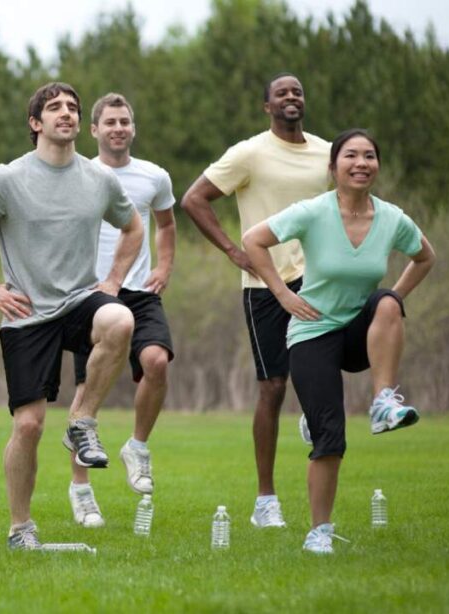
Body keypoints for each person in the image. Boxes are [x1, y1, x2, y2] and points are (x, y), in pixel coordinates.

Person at [0, 82, 142, 550]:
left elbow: (133, 226)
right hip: (27, 312)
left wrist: (112, 282)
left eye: (72, 107)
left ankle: (82, 422)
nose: (67, 114)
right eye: (55, 108)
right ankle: (20, 528)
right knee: (29, 425)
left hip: (79, 300)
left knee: (121, 320)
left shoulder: (99, 179)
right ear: (35, 123)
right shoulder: (7, 180)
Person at [242, 129, 435, 553]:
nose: (361, 163)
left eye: (370, 155)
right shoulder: (312, 211)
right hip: (312, 331)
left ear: (377, 166)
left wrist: (395, 299)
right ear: (333, 168)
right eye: (351, 155)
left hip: (359, 335)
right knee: (331, 433)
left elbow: (425, 256)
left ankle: (384, 401)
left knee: (386, 301)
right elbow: (253, 240)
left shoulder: (392, 218)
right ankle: (319, 533)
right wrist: (282, 292)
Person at [180, 73, 329, 528]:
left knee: (321, 369)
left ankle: (314, 415)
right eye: (281, 92)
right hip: (265, 285)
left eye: (298, 91)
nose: (291, 97)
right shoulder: (249, 153)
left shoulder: (328, 153)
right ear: (267, 106)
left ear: (304, 101)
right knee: (272, 386)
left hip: (321, 280)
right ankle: (266, 500)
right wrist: (232, 250)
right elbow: (194, 199)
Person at [64, 93, 177, 528]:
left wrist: (165, 264)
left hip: (138, 291)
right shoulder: (79, 174)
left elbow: (166, 224)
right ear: (93, 130)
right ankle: (82, 491)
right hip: (89, 297)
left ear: (133, 127)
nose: (118, 128)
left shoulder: (154, 176)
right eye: (109, 122)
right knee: (86, 392)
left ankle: (138, 446)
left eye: (124, 121)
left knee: (157, 362)